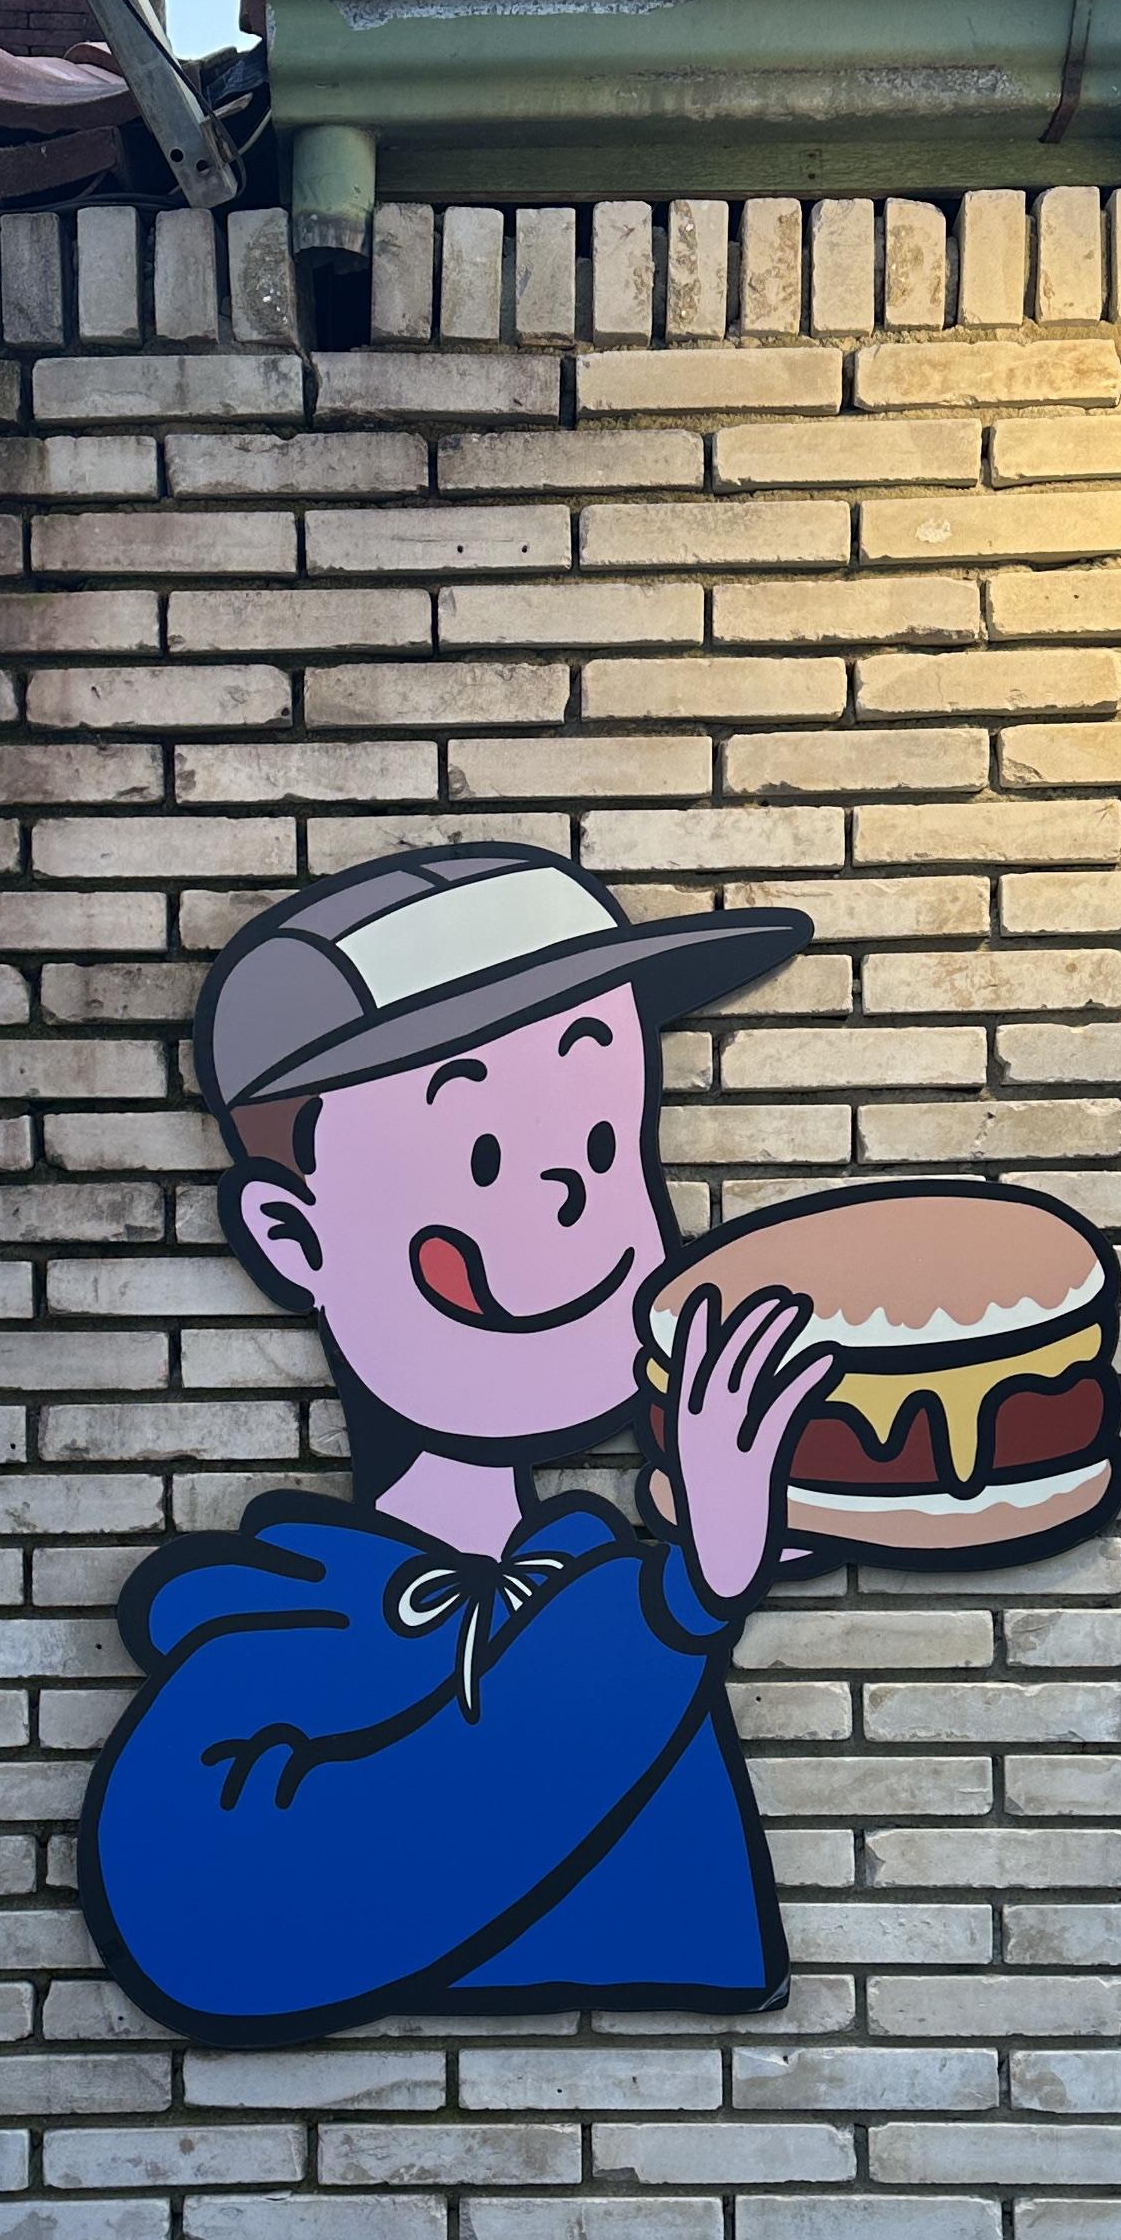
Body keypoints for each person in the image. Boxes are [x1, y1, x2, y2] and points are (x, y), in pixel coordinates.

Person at [78, 846, 834, 2045]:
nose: (574, 1204)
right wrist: (687, 1598)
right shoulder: (266, 1638)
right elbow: (210, 1932)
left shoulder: (602, 1588)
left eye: (602, 1146)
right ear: (292, 1238)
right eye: (482, 1162)